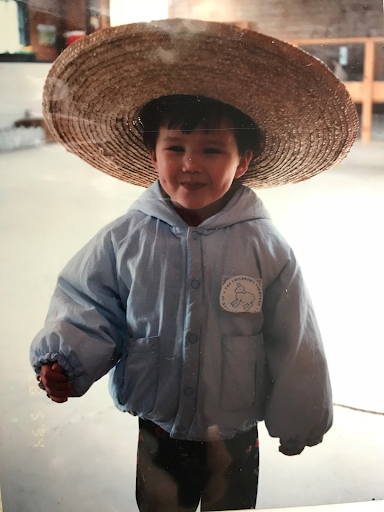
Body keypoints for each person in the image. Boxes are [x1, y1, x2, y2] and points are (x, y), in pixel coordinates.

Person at [30, 19, 358, 512]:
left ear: (243, 160)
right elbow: (90, 301)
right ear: (153, 153)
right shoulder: (125, 238)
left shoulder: (266, 247)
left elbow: (294, 338)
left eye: (212, 150)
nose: (190, 164)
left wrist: (298, 417)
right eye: (175, 148)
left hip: (235, 431)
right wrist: (67, 360)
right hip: (158, 425)